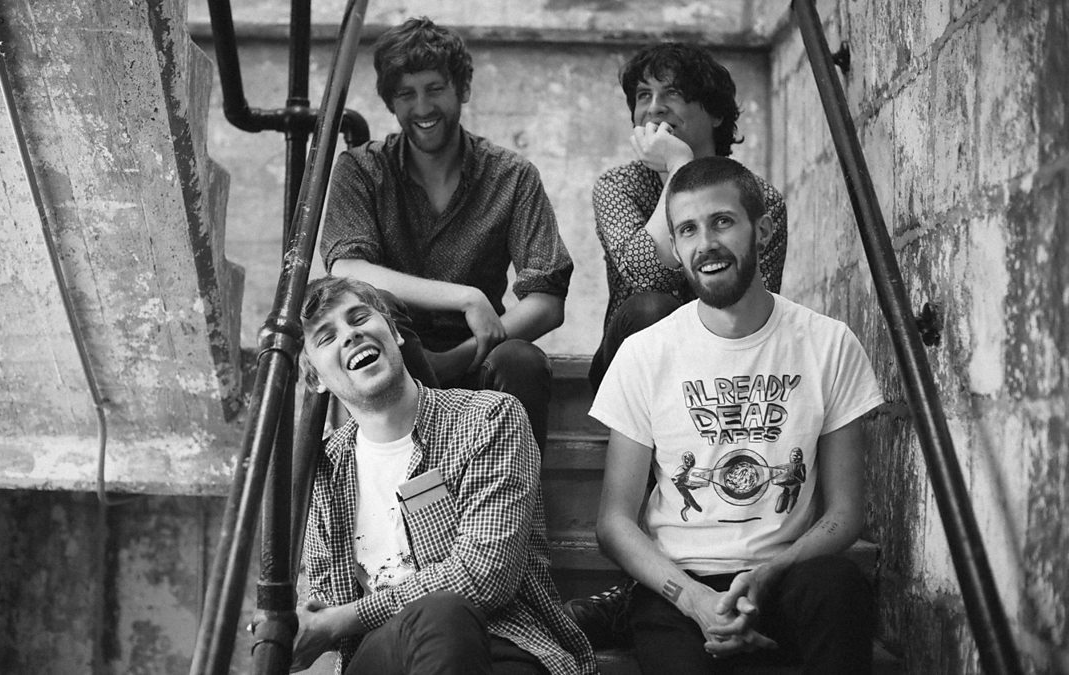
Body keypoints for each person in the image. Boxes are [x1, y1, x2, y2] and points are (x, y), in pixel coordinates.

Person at [590, 156, 882, 673]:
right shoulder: (644, 353)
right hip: (678, 586)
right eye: (688, 229)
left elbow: (844, 513)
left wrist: (770, 574)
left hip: (786, 575)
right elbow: (614, 523)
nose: (706, 243)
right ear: (675, 247)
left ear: (762, 230)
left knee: (840, 586)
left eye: (722, 221)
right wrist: (694, 599)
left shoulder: (828, 344)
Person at [292, 276, 595, 675]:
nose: (350, 335)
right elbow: (325, 601)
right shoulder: (324, 468)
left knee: (442, 611)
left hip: (501, 646)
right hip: (383, 656)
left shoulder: (487, 419)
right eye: (327, 337)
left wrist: (344, 618)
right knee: (437, 611)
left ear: (395, 332)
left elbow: (484, 576)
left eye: (359, 318)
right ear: (314, 378)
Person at [321, 17, 573, 453]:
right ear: (391, 102)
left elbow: (547, 300)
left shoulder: (511, 175)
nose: (422, 107)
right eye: (406, 94)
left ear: (463, 89)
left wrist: (457, 357)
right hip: (392, 358)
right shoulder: (361, 169)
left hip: (480, 356)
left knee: (521, 361)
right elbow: (347, 267)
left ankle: (518, 492)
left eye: (434, 89)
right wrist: (465, 297)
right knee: (374, 325)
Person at [590, 42, 788, 390]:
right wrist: (679, 166)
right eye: (643, 95)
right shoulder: (619, 186)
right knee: (652, 309)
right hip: (630, 374)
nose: (654, 108)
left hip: (725, 368)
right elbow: (648, 278)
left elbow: (752, 307)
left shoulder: (760, 199)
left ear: (715, 113)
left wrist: (681, 166)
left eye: (673, 93)